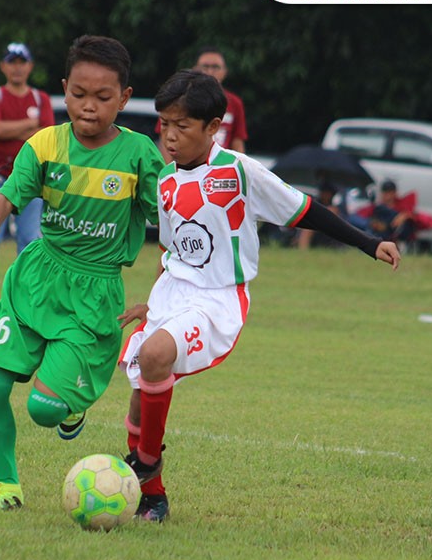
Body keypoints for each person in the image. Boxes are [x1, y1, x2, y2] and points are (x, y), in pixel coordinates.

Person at [117, 70, 401, 522]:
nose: (169, 136)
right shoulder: (166, 181)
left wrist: (369, 243)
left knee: (153, 357)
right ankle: (153, 498)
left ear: (213, 127)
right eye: (163, 124)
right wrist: (151, 302)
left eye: (182, 126)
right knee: (138, 392)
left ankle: (147, 463)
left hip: (216, 299)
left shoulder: (238, 171)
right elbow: (171, 249)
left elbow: (306, 210)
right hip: (172, 293)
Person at [0, 35, 164, 511]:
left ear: (125, 98)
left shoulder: (139, 156)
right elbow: (9, 193)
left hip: (94, 292)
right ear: (64, 89)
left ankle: (74, 403)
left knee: (43, 410)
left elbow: (172, 226)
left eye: (103, 98)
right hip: (37, 276)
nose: (88, 107)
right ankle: (6, 489)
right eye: (78, 95)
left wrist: (160, 294)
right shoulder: (46, 142)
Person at [0, 42, 54, 308]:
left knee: (30, 241)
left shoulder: (40, 98)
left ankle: (25, 296)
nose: (17, 68)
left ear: (30, 66)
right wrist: (29, 125)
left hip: (33, 182)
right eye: (12, 62)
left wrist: (13, 131)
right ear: (3, 66)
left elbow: (48, 137)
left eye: (22, 62)